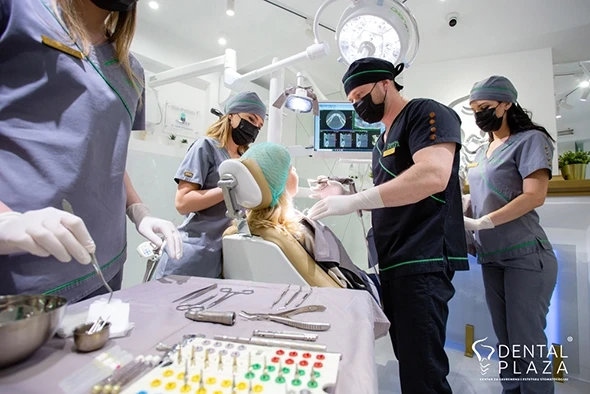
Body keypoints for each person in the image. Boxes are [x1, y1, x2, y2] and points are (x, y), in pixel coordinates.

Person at [0, 0, 181, 302]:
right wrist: (5, 220)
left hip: (103, 264)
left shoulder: (131, 71)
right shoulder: (20, 11)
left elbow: (108, 152)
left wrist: (138, 211)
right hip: (20, 270)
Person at [308, 57, 468, 394]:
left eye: (361, 95)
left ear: (385, 83)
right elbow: (390, 190)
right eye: (351, 102)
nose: (357, 106)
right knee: (408, 359)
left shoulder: (426, 112)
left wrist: (355, 201)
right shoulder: (382, 140)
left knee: (422, 370)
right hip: (393, 260)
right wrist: (340, 191)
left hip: (422, 257)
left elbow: (433, 175)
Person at [464, 76, 557, 394]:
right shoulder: (484, 148)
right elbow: (479, 192)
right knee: (505, 341)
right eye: (475, 109)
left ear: (507, 104)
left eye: (486, 107)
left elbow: (534, 196)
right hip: (492, 257)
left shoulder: (531, 139)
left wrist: (483, 223)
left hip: (526, 255)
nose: (479, 114)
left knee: (526, 342)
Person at [224, 142, 379, 300]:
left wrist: (347, 195)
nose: (295, 170)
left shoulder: (239, 230)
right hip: (355, 297)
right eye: (291, 168)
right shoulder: (299, 229)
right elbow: (347, 278)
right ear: (280, 179)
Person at [154, 92, 266, 279]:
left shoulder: (244, 161)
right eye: (250, 119)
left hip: (222, 255)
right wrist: (227, 189)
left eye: (259, 125)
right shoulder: (206, 146)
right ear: (231, 116)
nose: (254, 127)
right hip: (193, 253)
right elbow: (183, 203)